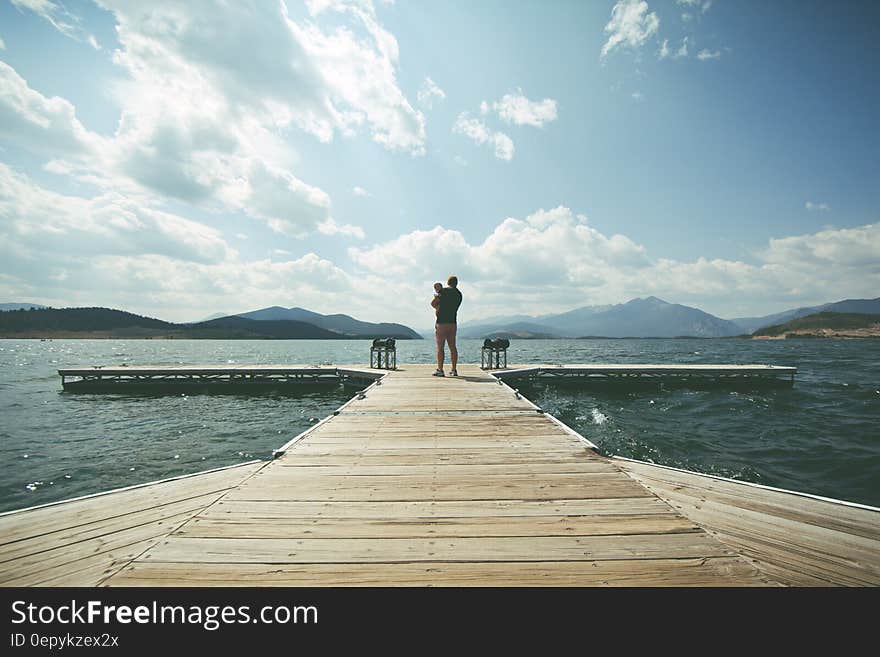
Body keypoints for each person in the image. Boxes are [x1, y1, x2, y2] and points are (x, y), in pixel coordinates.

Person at [433, 275, 462, 377]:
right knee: (452, 347)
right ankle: (454, 370)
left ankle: (440, 370)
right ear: (456, 283)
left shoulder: (443, 291)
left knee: (440, 347)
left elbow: (433, 303)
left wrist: (437, 306)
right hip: (452, 323)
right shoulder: (459, 294)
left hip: (441, 323)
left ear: (448, 282)